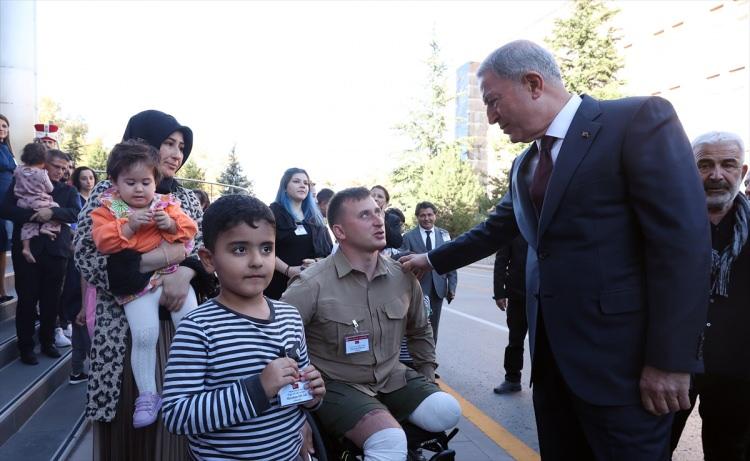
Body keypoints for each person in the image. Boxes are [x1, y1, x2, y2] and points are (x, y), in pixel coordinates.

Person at [400, 40, 711, 459]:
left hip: (626, 372)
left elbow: (681, 246)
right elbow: (495, 229)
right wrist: (431, 259)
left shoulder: (634, 121)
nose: (491, 118)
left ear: (533, 83)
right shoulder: (525, 164)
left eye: (493, 101)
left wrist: (672, 361)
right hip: (552, 370)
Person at [282, 187, 460, 460]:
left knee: (446, 411)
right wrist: (296, 417)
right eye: (365, 215)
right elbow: (276, 345)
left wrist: (426, 378)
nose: (378, 220)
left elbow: (420, 330)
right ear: (340, 232)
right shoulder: (311, 284)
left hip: (391, 377)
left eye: (378, 212)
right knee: (389, 439)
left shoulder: (403, 276)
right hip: (337, 385)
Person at [75, 110, 210, 460]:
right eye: (168, 143)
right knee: (131, 425)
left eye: (182, 146)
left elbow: (203, 249)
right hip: (125, 330)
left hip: (179, 323)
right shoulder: (109, 195)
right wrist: (164, 260)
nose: (177, 154)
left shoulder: (186, 198)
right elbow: (88, 256)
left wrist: (189, 272)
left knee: (178, 425)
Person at [162, 194, 325, 460]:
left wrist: (312, 395)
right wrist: (258, 388)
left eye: (266, 249)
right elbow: (177, 415)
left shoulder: (290, 316)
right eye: (239, 249)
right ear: (208, 259)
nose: (257, 261)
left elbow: (299, 390)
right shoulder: (199, 327)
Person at [91, 140, 199, 428]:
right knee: (145, 335)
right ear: (114, 183)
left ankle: (195, 384)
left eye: (146, 182)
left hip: (174, 274)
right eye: (130, 182)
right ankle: (148, 395)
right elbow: (102, 241)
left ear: (155, 182)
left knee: (192, 326)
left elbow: (190, 231)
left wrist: (171, 226)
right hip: (138, 286)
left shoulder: (167, 204)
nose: (139, 189)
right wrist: (129, 226)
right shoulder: (108, 208)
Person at [670, 131, 750, 460]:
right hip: (670, 369)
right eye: (705, 164)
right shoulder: (664, 225)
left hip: (738, 375)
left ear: (743, 172)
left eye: (728, 165)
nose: (717, 175)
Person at [0, 147, 81, 365]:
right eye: (57, 167)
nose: (61, 172)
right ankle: (25, 347)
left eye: (65, 169)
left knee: (51, 301)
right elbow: (6, 209)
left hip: (57, 252)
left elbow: (75, 212)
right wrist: (38, 217)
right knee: (27, 300)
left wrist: (53, 213)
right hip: (28, 251)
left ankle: (47, 342)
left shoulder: (68, 191)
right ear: (45, 163)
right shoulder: (21, 184)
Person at [265, 167, 332, 300]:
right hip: (279, 284)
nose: (302, 185)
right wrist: (289, 270)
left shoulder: (315, 217)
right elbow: (265, 249)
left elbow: (328, 252)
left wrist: (316, 262)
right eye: (296, 181)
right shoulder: (272, 213)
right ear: (284, 187)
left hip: (310, 285)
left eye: (305, 183)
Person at [400, 201, 457, 344]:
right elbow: (401, 263)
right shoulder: (408, 237)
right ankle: (415, 359)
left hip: (438, 289)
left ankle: (430, 359)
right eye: (422, 215)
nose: (426, 218)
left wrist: (452, 287)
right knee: (416, 325)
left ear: (435, 216)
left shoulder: (444, 235)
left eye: (430, 215)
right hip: (417, 289)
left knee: (434, 326)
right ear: (417, 217)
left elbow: (451, 261)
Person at [67, 166, 98, 385]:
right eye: (84, 178)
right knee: (83, 319)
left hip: (101, 268)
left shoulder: (109, 197)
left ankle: (80, 368)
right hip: (83, 268)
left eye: (91, 177)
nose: (88, 181)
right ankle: (81, 368)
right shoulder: (74, 198)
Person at [12, 143, 61, 264]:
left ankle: (26, 248)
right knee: (56, 208)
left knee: (28, 224)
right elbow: (50, 189)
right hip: (38, 201)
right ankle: (46, 227)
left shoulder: (18, 170)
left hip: (22, 202)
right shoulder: (42, 173)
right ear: (43, 159)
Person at [492, 235, 528, 394]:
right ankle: (512, 379)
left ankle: (546, 383)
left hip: (546, 297)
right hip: (518, 295)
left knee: (545, 343)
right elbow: (501, 262)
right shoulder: (513, 228)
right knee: (515, 340)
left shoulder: (547, 225)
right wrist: (499, 293)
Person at [0, 114, 17, 304]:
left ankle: (2, 291)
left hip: (6, 204)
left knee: (2, 246)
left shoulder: (7, 150)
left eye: (5, 125)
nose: (2, 128)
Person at [370, 185, 405, 255]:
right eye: (372, 195)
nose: (375, 198)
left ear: (386, 203)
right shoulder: (360, 217)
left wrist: (382, 219)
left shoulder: (393, 219)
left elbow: (397, 243)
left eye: (380, 196)